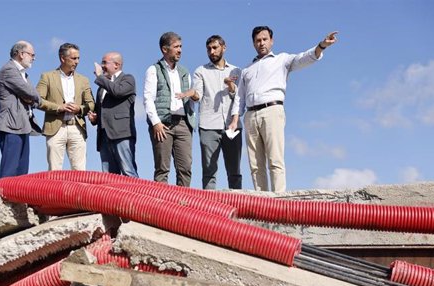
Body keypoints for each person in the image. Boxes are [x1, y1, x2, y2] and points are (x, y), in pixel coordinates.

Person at [229, 27, 339, 192]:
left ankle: (279, 201)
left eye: (265, 39)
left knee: (275, 160)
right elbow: (239, 97)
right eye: (258, 40)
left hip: (272, 111)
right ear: (253, 43)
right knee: (255, 164)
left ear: (271, 41)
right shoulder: (247, 70)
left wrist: (321, 46)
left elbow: (303, 58)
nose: (262, 43)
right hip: (250, 116)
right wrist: (235, 119)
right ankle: (261, 203)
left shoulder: (282, 60)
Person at [178, 35, 242, 190]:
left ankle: (239, 209)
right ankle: (209, 211)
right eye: (209, 49)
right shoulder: (201, 71)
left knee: (234, 172)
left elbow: (239, 97)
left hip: (232, 126)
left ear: (223, 48)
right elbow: (198, 95)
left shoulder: (236, 71)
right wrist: (191, 93)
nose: (212, 52)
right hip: (208, 126)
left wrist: (231, 86)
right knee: (209, 172)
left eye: (215, 48)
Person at [144, 31, 195, 187]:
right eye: (176, 47)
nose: (179, 50)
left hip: (183, 123)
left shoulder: (185, 72)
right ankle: (162, 208)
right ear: (164, 49)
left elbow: (190, 98)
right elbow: (148, 99)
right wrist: (156, 123)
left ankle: (184, 206)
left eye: (180, 46)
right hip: (163, 124)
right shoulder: (153, 70)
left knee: (185, 168)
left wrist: (189, 121)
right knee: (162, 169)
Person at [36, 43, 95, 171]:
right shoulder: (47, 77)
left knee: (80, 171)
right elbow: (37, 100)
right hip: (55, 128)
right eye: (74, 58)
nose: (77, 62)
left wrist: (79, 109)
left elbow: (91, 104)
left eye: (78, 58)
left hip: (77, 128)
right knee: (54, 172)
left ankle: (78, 192)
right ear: (63, 58)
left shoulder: (83, 80)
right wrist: (59, 107)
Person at [0, 41, 42, 178]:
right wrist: (31, 96)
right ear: (21, 54)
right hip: (11, 126)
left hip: (23, 126)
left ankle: (18, 199)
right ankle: (5, 198)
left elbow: (32, 96)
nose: (34, 58)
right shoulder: (8, 70)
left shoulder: (24, 75)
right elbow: (32, 93)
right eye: (32, 54)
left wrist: (31, 97)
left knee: (22, 172)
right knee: (10, 171)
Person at [87, 52, 138, 177]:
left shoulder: (128, 79)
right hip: (104, 135)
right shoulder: (102, 86)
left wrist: (100, 77)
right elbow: (101, 109)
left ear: (116, 65)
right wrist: (95, 119)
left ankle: (133, 197)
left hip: (122, 134)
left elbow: (118, 91)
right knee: (109, 175)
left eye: (104, 62)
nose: (101, 66)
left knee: (128, 171)